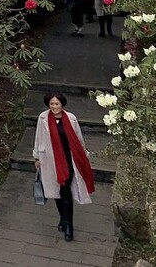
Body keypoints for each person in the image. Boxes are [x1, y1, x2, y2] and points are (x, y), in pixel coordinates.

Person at [33, 92, 96, 241]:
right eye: (52, 104)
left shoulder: (71, 118)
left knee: (66, 192)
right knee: (56, 192)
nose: (54, 107)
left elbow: (79, 138)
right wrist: (36, 157)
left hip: (68, 160)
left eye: (57, 104)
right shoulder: (42, 118)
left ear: (62, 104)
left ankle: (69, 225)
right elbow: (38, 138)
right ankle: (62, 217)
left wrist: (84, 155)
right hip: (50, 160)